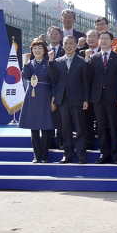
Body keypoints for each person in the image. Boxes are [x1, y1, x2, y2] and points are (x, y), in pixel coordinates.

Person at [83, 31, 117, 164]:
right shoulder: (93, 58)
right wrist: (86, 60)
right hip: (97, 97)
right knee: (101, 127)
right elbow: (88, 77)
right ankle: (104, 153)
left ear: (112, 41)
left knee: (114, 126)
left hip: (113, 97)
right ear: (99, 41)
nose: (104, 41)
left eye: (107, 39)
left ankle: (116, 154)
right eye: (102, 39)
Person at [48, 35, 89, 164]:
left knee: (80, 128)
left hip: (78, 99)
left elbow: (86, 82)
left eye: (71, 43)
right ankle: (67, 155)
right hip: (62, 101)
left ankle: (81, 156)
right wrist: (50, 61)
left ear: (76, 45)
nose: (68, 46)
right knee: (65, 129)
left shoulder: (82, 61)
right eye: (66, 43)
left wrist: (86, 99)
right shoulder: (57, 61)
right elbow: (53, 79)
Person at [19, 40, 55, 163]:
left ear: (44, 50)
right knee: (33, 129)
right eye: (34, 48)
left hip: (45, 96)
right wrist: (25, 62)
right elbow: (26, 76)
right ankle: (36, 156)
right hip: (32, 98)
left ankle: (44, 156)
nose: (37, 50)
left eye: (40, 48)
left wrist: (51, 61)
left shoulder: (48, 62)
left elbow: (52, 77)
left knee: (45, 129)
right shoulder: (30, 63)